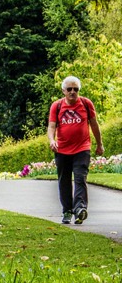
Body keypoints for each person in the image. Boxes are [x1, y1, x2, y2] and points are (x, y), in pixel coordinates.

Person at [47, 75, 104, 224]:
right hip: (62, 150)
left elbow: (94, 124)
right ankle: (67, 211)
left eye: (76, 89)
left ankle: (80, 209)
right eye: (69, 89)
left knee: (80, 178)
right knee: (64, 181)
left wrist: (99, 144)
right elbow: (52, 126)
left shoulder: (86, 103)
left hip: (82, 148)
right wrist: (52, 140)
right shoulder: (57, 106)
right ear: (63, 91)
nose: (73, 92)